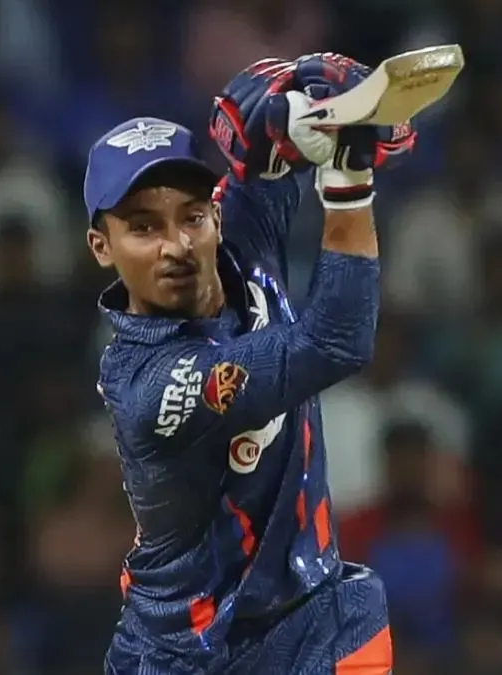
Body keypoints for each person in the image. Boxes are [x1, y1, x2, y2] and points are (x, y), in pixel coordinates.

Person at [86, 54, 413, 674]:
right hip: (191, 653)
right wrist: (349, 178)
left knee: (358, 603)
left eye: (191, 216)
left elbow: (260, 153)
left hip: (317, 619)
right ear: (103, 246)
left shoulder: (237, 244)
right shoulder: (150, 385)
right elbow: (335, 342)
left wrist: (302, 100)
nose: (177, 245)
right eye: (143, 228)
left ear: (213, 213)